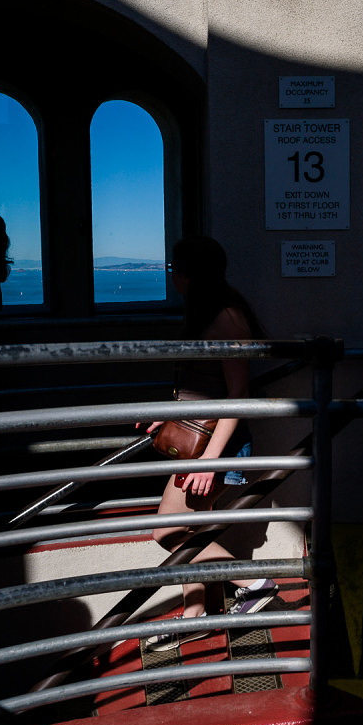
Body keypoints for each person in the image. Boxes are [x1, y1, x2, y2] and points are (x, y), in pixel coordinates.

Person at [142, 236, 278, 652]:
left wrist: (210, 463)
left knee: (167, 531)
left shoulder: (225, 318)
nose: (173, 278)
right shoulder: (207, 313)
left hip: (213, 450)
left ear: (187, 273)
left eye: (174, 270)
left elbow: (238, 398)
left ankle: (254, 583)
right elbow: (201, 388)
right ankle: (195, 616)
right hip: (198, 446)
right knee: (188, 528)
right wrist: (166, 419)